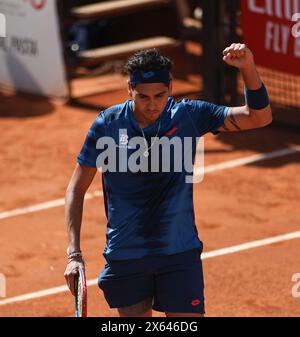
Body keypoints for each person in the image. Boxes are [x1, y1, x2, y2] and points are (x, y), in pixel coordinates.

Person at [64, 44, 272, 317]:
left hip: (179, 254)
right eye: (142, 96)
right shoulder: (108, 125)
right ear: (129, 88)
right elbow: (76, 190)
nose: (152, 105)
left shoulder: (189, 116)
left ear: (171, 87)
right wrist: (74, 254)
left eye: (159, 95)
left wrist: (248, 68)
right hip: (127, 256)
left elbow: (259, 117)